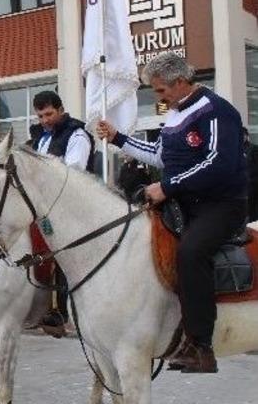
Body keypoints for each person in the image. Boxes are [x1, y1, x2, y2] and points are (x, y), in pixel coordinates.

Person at [97, 53, 247, 373]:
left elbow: (218, 164)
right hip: (183, 204)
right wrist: (118, 138)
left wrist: (167, 187)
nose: (159, 97)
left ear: (180, 82)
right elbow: (159, 155)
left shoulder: (217, 110)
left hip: (221, 205)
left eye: (161, 90)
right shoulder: (176, 113)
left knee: (190, 253)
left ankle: (200, 347)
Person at [29, 90, 94, 337]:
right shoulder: (39, 138)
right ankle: (45, 305)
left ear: (60, 110)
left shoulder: (77, 135)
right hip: (46, 208)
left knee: (66, 258)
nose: (44, 120)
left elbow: (73, 174)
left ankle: (65, 310)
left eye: (48, 114)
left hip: (73, 207)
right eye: (40, 116)